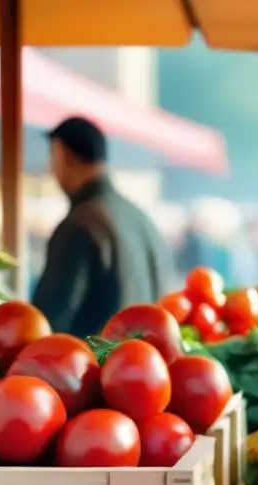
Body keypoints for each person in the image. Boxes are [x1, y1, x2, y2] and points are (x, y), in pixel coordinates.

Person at [33, 116, 172, 337]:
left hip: (94, 367)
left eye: (53, 157)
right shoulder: (140, 218)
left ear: (65, 156)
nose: (51, 170)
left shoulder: (80, 225)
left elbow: (46, 322)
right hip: (147, 366)